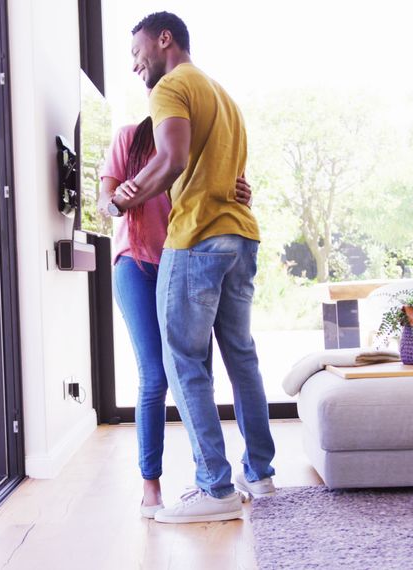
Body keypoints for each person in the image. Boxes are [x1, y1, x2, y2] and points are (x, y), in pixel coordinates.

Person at [108, 11, 276, 524]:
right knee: (241, 357)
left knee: (184, 362)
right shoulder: (223, 97)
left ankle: (215, 487)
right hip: (240, 237)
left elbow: (173, 159)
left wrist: (124, 196)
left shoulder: (171, 87)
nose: (137, 67)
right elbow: (231, 174)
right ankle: (261, 473)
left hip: (198, 238)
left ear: (165, 40)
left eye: (138, 55)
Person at [98, 116, 252, 519]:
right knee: (154, 375)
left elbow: (227, 200)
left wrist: (243, 195)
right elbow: (104, 202)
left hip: (184, 263)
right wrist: (119, 198)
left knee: (194, 369)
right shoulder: (131, 137)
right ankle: (151, 484)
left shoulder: (203, 143)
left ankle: (209, 480)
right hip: (136, 263)